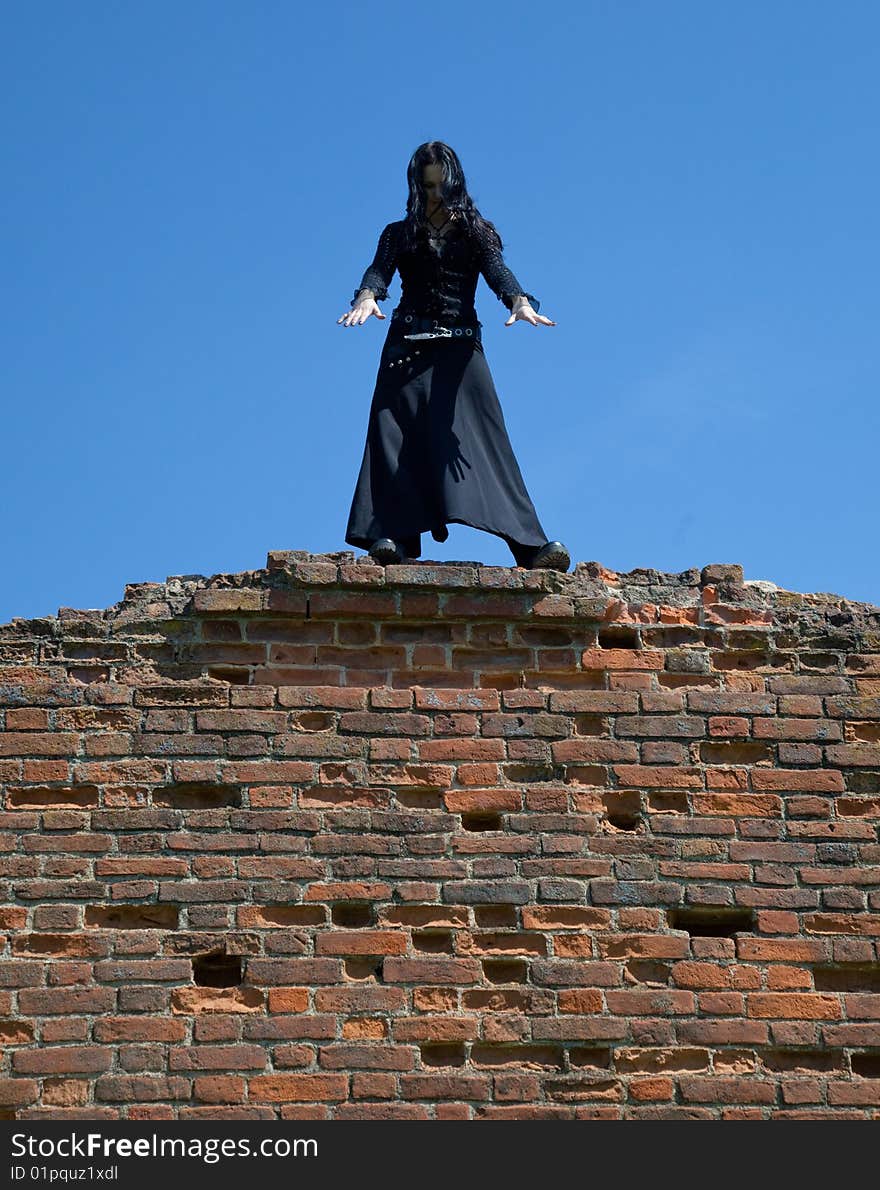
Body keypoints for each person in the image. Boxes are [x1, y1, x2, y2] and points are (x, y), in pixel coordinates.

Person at [337, 141, 570, 571]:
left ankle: (529, 546)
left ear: (454, 182)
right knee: (394, 436)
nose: (434, 196)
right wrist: (367, 296)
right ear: (416, 188)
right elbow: (378, 270)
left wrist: (518, 300)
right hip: (406, 347)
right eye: (426, 188)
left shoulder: (476, 231)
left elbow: (497, 270)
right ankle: (395, 539)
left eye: (440, 186)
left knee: (486, 440)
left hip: (461, 351)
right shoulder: (398, 233)